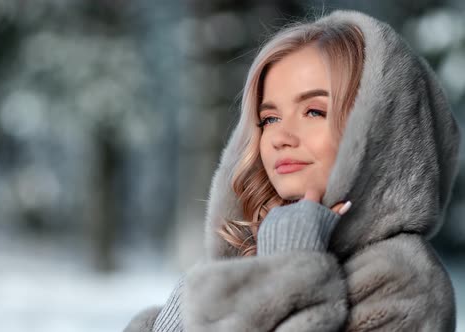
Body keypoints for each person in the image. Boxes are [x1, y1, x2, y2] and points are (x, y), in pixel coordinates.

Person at [125, 9, 461, 332]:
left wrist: (290, 257)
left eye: (313, 111)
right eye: (269, 118)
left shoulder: (405, 283)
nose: (280, 138)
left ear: (380, 128)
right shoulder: (242, 253)